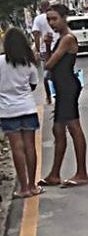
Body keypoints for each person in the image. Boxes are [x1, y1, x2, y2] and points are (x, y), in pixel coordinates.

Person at [41, 3, 88, 188]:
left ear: (63, 18)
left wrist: (46, 51)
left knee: (74, 128)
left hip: (68, 87)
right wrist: (46, 45)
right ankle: (54, 173)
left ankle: (82, 172)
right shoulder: (60, 39)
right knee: (58, 130)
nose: (52, 23)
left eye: (54, 19)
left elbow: (49, 64)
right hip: (61, 88)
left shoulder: (67, 38)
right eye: (48, 20)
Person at [1, 29, 42, 198]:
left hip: (7, 111)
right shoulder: (29, 64)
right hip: (27, 108)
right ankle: (33, 186)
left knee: (16, 149)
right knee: (30, 147)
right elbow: (33, 85)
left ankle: (23, 187)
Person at [29, 0, 52, 107]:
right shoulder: (54, 16)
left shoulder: (38, 19)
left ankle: (48, 96)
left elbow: (36, 35)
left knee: (46, 73)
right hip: (59, 45)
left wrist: (38, 50)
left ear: (40, 7)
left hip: (45, 49)